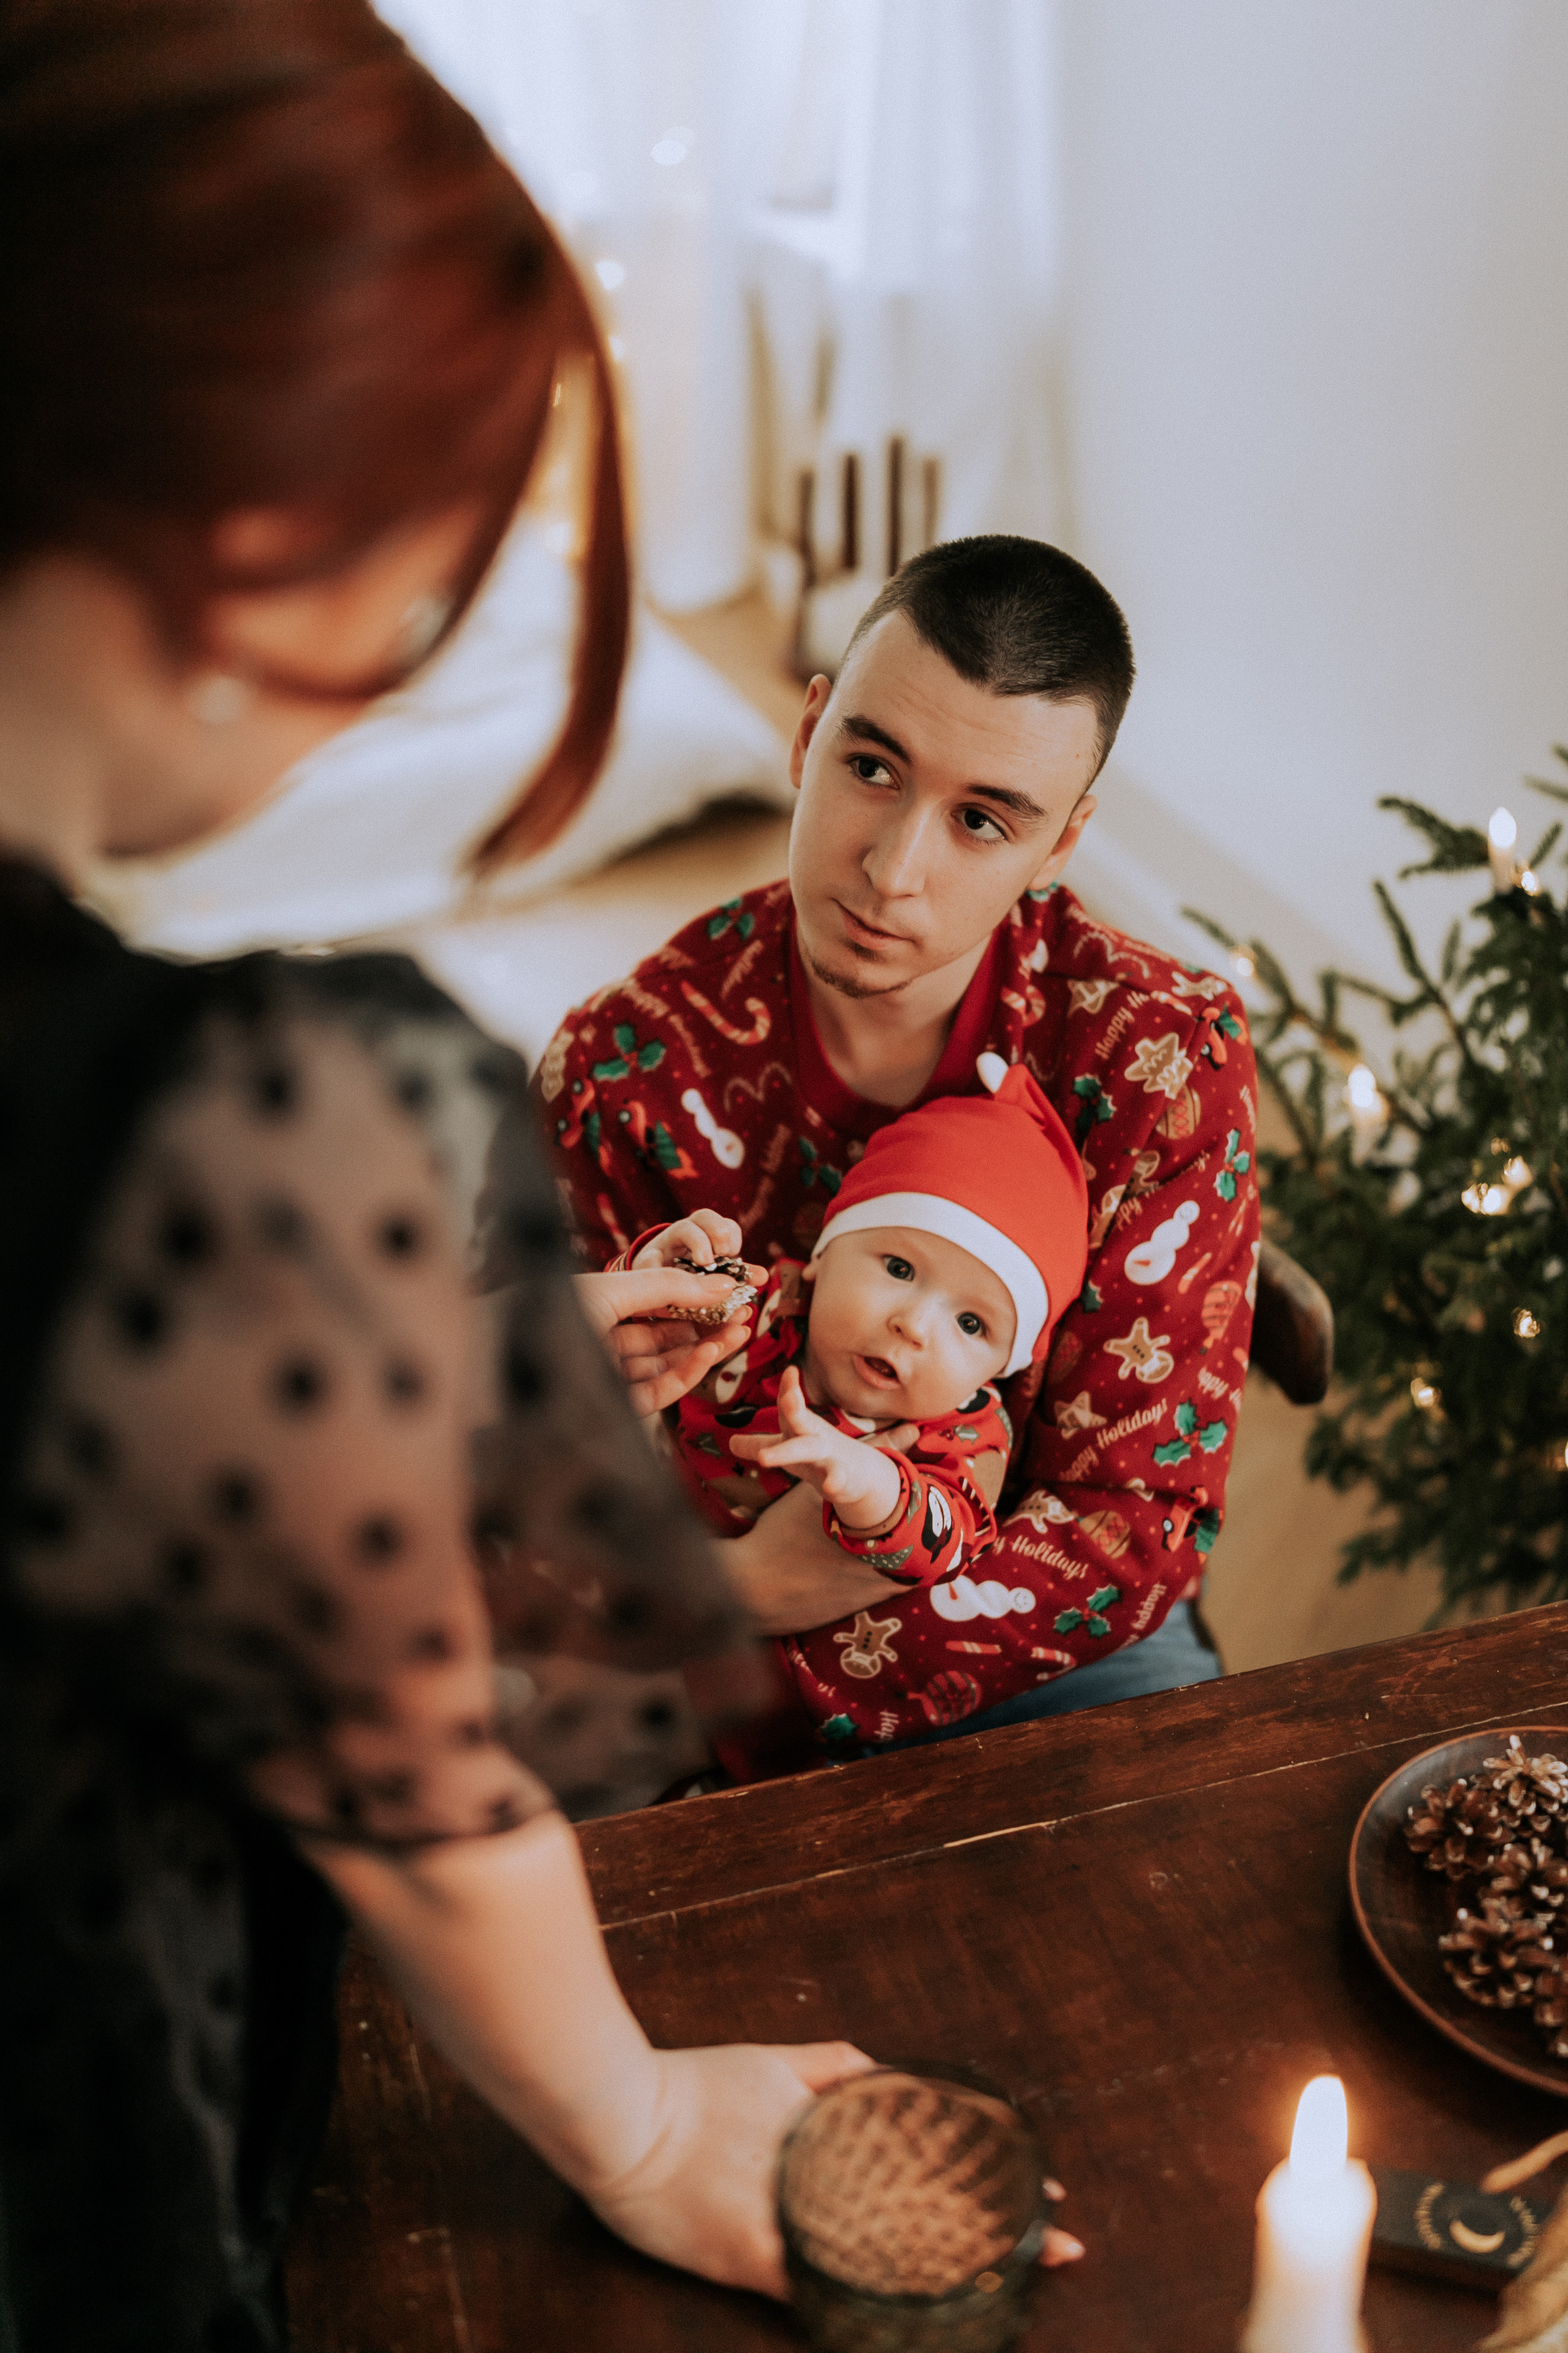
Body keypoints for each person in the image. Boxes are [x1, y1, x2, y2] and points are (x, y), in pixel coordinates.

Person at [0, 6, 1032, 2343]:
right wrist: (641, 2122)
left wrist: (399, 1368)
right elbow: (391, 1753)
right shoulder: (258, 1116)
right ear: (270, 525)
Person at [540, 536, 1262, 1743]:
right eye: (871, 766)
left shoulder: (1159, 1064)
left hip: (1039, 1647)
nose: (891, 870)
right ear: (806, 732)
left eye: (983, 820)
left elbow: (1130, 1529)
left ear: (1061, 845)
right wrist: (738, 1588)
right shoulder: (625, 1065)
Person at [619, 1057, 1091, 1762]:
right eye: (898, 1269)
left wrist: (870, 1486)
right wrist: (658, 1267)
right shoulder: (770, 1303)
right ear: (823, 1256)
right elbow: (645, 1329)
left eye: (971, 1325)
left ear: (1000, 1368)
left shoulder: (964, 1432)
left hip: (774, 1694)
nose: (914, 1326)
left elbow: (944, 1538)